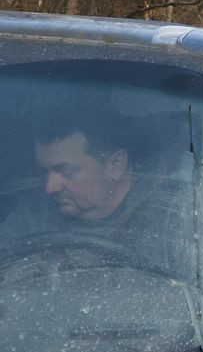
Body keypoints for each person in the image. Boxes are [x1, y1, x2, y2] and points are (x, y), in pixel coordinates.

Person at [0, 111, 191, 275]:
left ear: (116, 165)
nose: (50, 187)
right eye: (45, 172)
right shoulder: (35, 213)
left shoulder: (176, 218)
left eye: (66, 171)